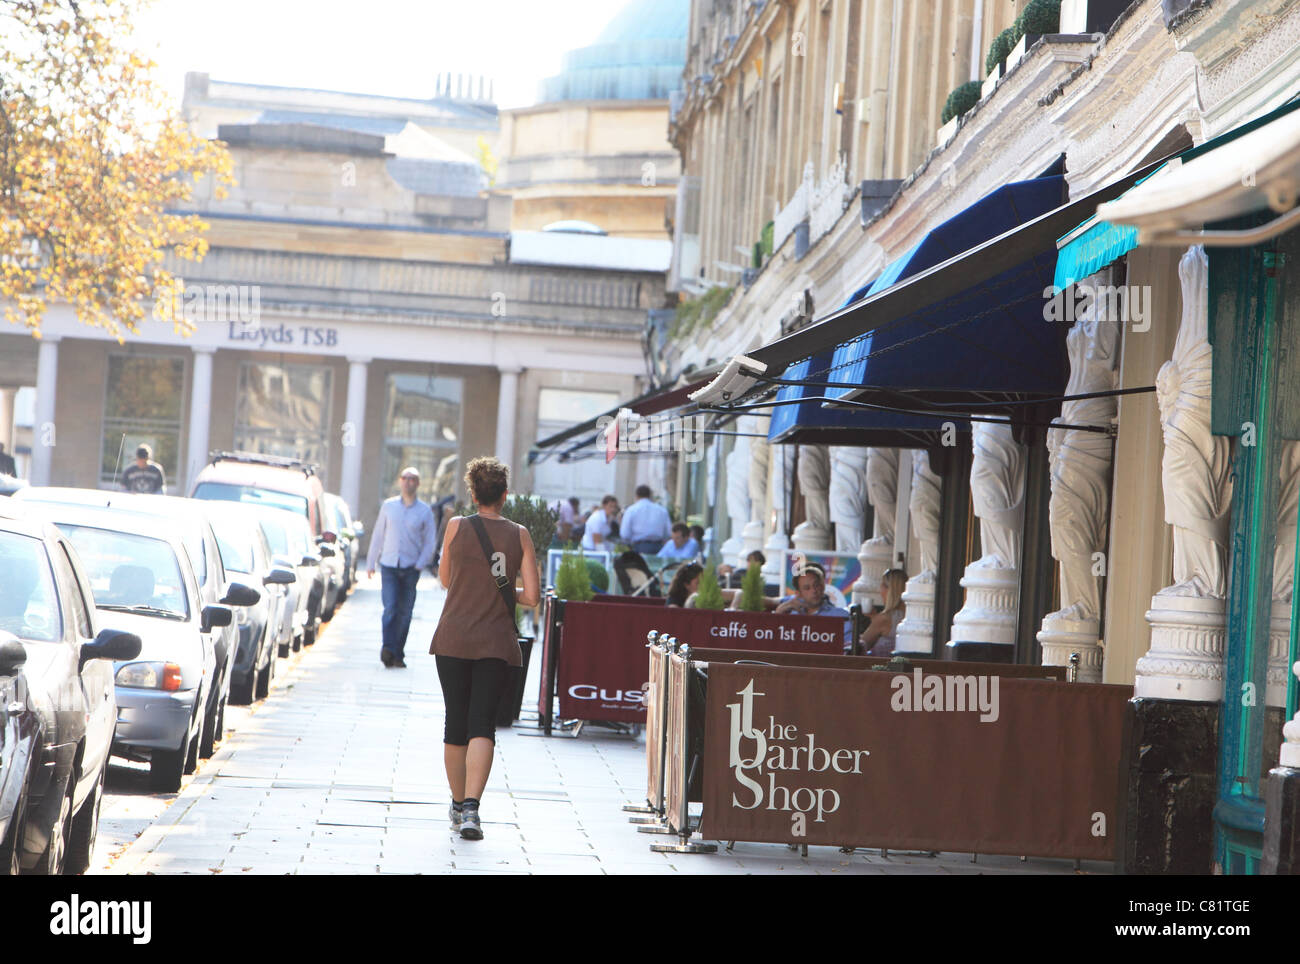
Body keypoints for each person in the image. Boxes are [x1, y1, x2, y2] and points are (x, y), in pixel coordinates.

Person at [430, 456, 540, 841]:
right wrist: (507, 588)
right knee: (482, 725)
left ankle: (458, 804)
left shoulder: (456, 526)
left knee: (454, 722)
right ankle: (474, 808)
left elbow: (445, 579)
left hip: (453, 637)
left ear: (473, 494)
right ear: (505, 495)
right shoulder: (520, 534)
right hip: (496, 641)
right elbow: (532, 597)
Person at [366, 467, 437, 668]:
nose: (408, 482)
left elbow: (430, 541)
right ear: (400, 481)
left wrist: (420, 564)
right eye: (405, 478)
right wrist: (371, 562)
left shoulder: (424, 511)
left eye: (413, 479)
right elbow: (378, 534)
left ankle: (398, 653)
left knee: (405, 612)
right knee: (390, 608)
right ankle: (388, 648)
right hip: (389, 566)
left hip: (410, 568)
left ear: (418, 483)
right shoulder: (388, 507)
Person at [859, 568, 908, 656]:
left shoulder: (884, 619)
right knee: (918, 669)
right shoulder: (911, 616)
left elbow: (861, 644)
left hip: (883, 668)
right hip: (915, 667)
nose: (880, 590)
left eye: (882, 585)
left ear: (890, 590)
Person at [772, 564, 850, 617]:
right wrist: (778, 615)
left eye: (816, 585)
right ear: (798, 594)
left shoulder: (840, 616)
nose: (814, 591)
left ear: (822, 587)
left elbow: (848, 641)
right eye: (807, 588)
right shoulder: (789, 614)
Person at [619, 484, 672, 555]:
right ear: (650, 495)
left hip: (639, 547)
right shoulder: (661, 510)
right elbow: (668, 532)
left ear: (636, 496)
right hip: (658, 547)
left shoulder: (631, 510)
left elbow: (625, 534)